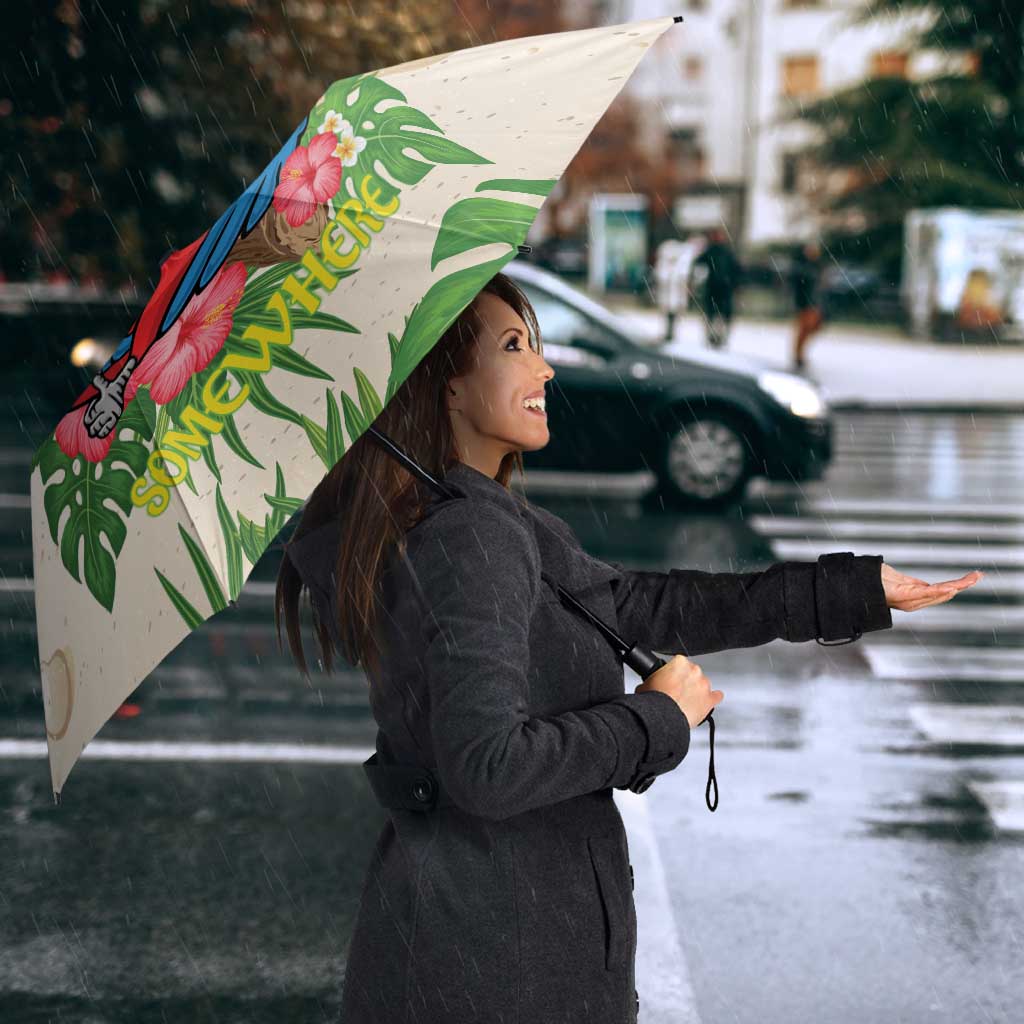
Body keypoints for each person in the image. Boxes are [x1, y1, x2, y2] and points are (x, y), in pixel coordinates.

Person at [274, 271, 965, 1024]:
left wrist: (851, 590)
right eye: (514, 347)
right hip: (498, 963)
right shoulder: (469, 537)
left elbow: (638, 604)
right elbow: (488, 768)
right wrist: (657, 719)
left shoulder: (467, 518)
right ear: (446, 386)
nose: (545, 368)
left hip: (472, 945)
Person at [692, 226, 742, 349]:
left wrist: (735, 284)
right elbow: (698, 264)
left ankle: (719, 337)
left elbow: (736, 270)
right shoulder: (712, 251)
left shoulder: (725, 252)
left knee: (720, 315)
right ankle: (713, 337)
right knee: (713, 314)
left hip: (723, 288)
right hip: (715, 288)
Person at [790, 239, 826, 371]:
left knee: (812, 328)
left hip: (814, 303)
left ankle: (800, 354)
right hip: (805, 303)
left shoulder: (817, 266)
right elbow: (799, 286)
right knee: (804, 329)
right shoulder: (802, 267)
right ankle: (798, 355)